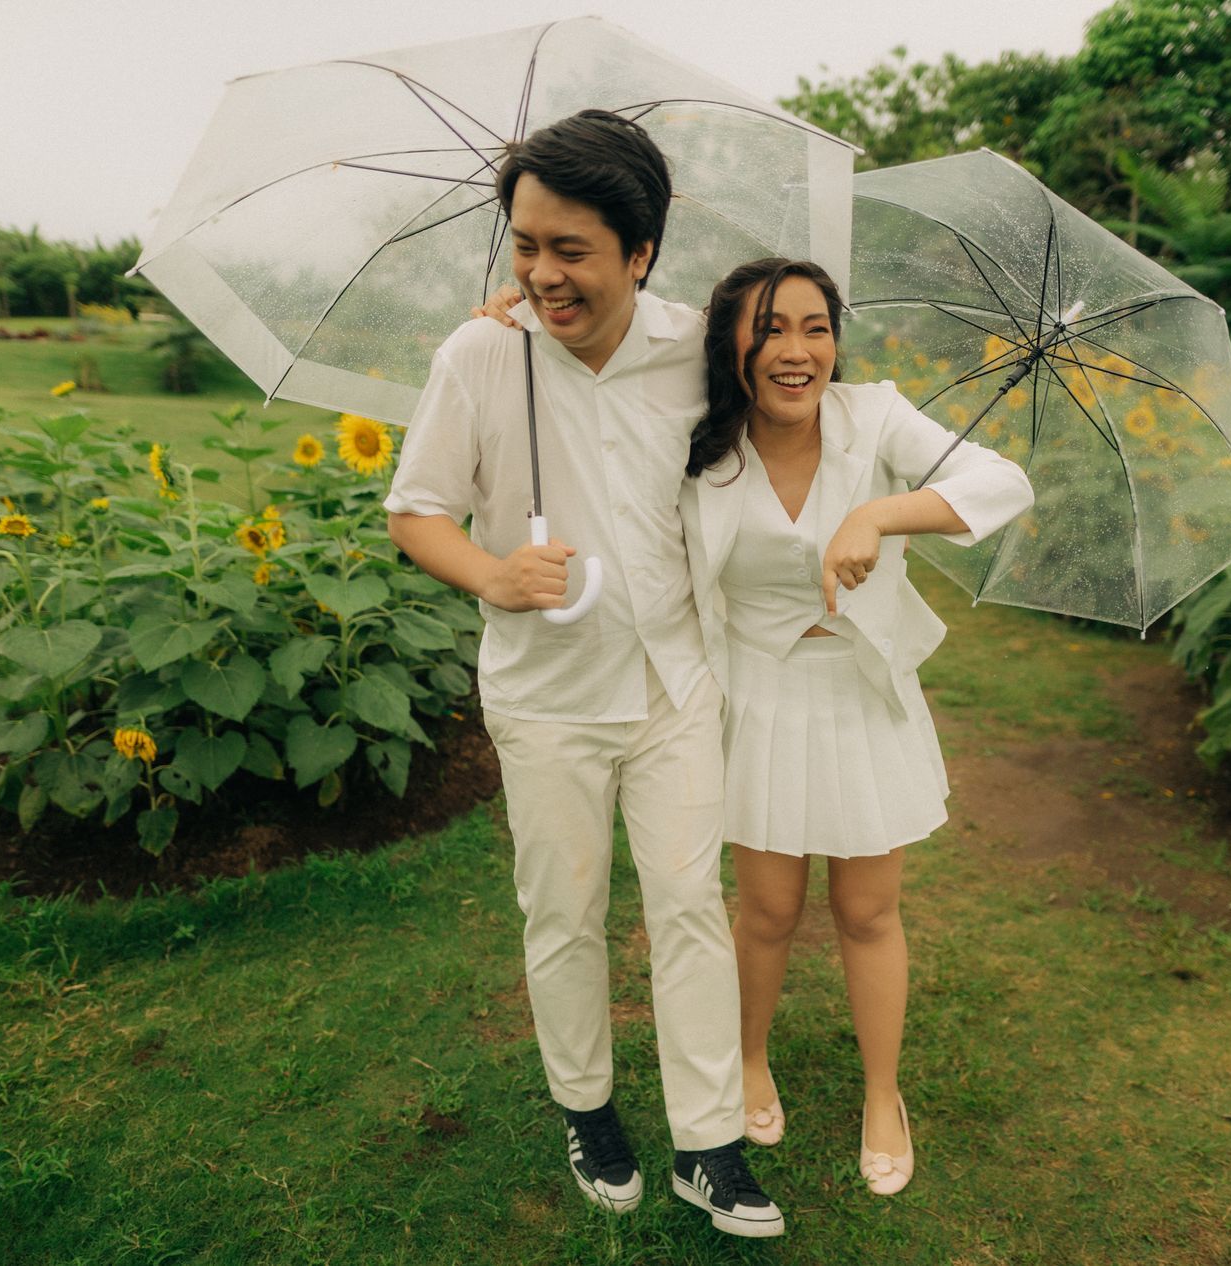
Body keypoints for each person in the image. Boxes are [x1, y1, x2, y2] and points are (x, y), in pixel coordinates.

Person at [383, 110, 784, 1239]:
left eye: (571, 250)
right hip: (546, 695)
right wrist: (493, 575)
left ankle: (709, 1145)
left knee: (689, 908)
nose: (542, 274)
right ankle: (588, 1110)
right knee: (563, 911)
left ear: (641, 251)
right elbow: (417, 509)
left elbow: (798, 400)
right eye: (524, 245)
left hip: (673, 684)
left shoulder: (698, 347)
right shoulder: (480, 355)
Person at [680, 258, 1033, 1195]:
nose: (795, 351)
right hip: (759, 696)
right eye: (769, 329)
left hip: (863, 695)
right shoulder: (699, 440)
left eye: (816, 328)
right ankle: (747, 1060)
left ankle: (883, 1094)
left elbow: (1003, 483)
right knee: (767, 911)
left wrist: (880, 512)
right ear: (729, 343)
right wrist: (518, 323)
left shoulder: (875, 417)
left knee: (868, 912)